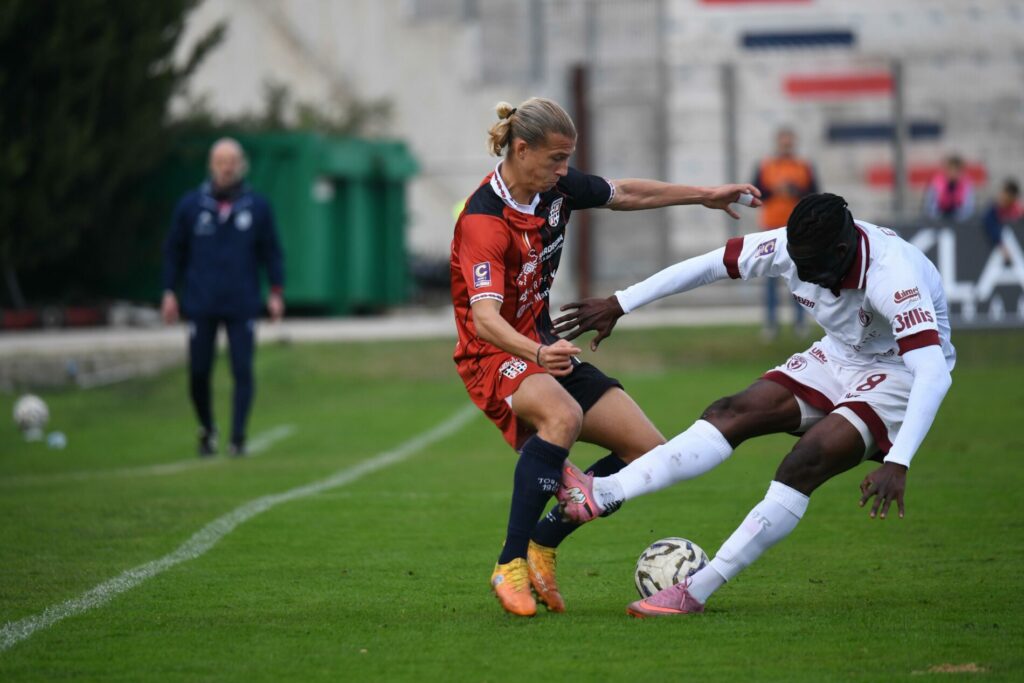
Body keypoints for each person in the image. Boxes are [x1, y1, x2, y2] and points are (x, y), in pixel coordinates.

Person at [552, 192, 955, 617]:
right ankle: (606, 492)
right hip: (840, 354)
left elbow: (932, 373)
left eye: (809, 265)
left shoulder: (893, 274)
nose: (799, 272)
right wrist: (620, 302)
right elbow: (709, 265)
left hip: (899, 372)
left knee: (806, 460)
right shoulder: (791, 247)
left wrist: (899, 461)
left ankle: (696, 590)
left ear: (841, 251)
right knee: (730, 411)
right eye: (795, 260)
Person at [450, 97, 761, 617]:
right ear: (521, 150)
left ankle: (544, 541)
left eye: (568, 159)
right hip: (495, 353)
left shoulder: (556, 188)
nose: (564, 170)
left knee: (648, 452)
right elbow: (484, 319)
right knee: (562, 416)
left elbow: (626, 192)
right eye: (556, 159)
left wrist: (705, 195)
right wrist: (537, 351)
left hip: (544, 346)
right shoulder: (483, 220)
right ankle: (509, 563)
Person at [162, 138, 285, 457]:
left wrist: (275, 292)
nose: (226, 167)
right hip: (201, 301)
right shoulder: (191, 206)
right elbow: (174, 251)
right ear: (211, 165)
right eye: (220, 161)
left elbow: (271, 252)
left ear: (242, 165)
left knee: (242, 370)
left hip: (241, 301)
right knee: (198, 372)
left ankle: (238, 437)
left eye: (232, 161)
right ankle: (207, 428)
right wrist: (169, 292)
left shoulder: (257, 206)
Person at [752, 127, 819, 340]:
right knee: (771, 278)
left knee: (799, 278)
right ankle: (771, 323)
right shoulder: (766, 166)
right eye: (783, 141)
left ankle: (800, 322)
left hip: (797, 229)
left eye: (789, 142)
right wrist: (776, 190)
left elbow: (814, 194)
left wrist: (795, 191)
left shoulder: (803, 166)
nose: (786, 145)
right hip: (771, 228)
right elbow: (756, 193)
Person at [923, 154, 975, 222]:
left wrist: (959, 217)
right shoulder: (936, 182)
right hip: (938, 218)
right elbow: (929, 205)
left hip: (959, 219)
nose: (953, 173)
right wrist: (937, 217)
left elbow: (969, 207)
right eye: (951, 169)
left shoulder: (966, 183)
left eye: (956, 170)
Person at [982, 178, 1022, 263]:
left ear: (1013, 197)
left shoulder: (1019, 213)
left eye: (1005, 194)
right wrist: (1001, 245)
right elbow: (990, 225)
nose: (1001, 196)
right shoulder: (993, 211)